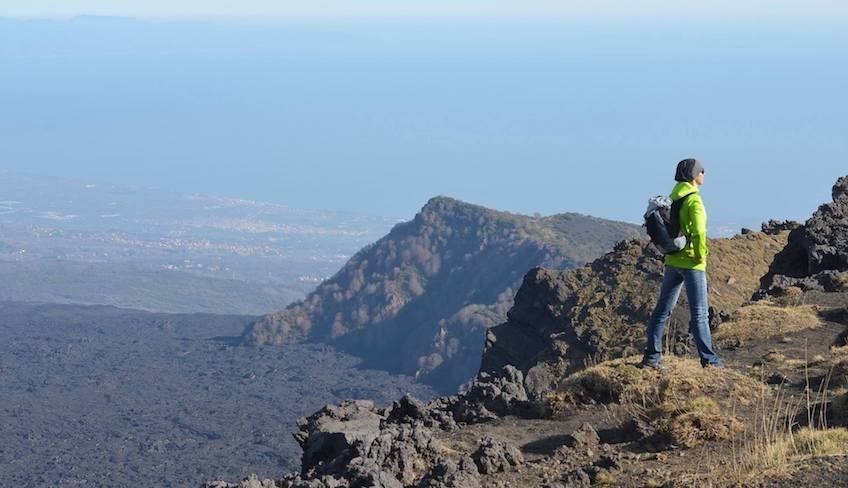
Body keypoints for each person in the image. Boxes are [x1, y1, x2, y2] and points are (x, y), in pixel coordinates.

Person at [641, 159, 723, 369]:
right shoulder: (694, 200)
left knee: (662, 310)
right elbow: (698, 232)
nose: (704, 173)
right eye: (701, 170)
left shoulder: (674, 195)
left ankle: (651, 358)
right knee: (700, 314)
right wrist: (699, 255)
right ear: (694, 175)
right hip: (691, 263)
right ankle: (710, 361)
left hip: (672, 259)